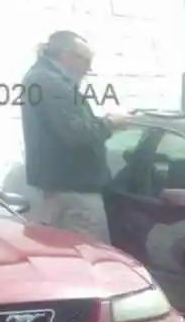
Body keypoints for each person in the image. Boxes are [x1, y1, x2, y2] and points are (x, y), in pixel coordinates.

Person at [20, 31, 121, 242]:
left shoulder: (40, 77)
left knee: (67, 259)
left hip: (60, 187)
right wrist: (110, 123)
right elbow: (77, 134)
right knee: (94, 260)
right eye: (86, 61)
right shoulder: (52, 83)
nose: (88, 69)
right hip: (76, 193)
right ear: (67, 56)